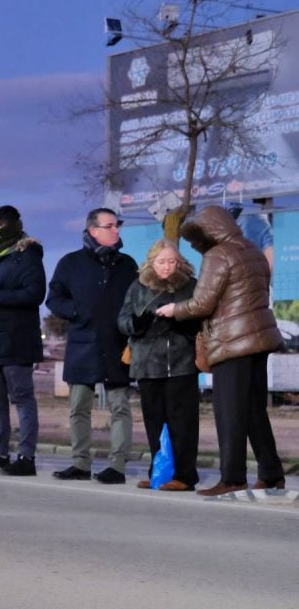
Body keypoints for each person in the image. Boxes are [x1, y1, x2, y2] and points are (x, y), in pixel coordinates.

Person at [155, 205, 284, 495]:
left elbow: (203, 303)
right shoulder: (251, 249)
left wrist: (175, 308)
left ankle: (233, 478)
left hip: (231, 342)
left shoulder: (218, 255)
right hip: (259, 339)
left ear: (210, 231)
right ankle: (272, 473)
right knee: (254, 411)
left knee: (229, 412)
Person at [46, 208, 138, 484]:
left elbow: (138, 300)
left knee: (120, 407)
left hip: (117, 343)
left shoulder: (127, 265)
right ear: (92, 230)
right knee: (78, 407)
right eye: (110, 226)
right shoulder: (70, 263)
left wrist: (131, 325)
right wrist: (76, 311)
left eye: (117, 225)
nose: (116, 230)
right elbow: (54, 298)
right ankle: (80, 463)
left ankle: (118, 466)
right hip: (82, 343)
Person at [117, 240, 200, 491]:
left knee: (182, 420)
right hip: (146, 363)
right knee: (154, 420)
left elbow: (203, 315)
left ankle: (185, 475)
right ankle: (159, 472)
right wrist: (136, 324)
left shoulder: (190, 285)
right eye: (161, 261)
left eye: (171, 261)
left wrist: (182, 321)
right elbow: (121, 319)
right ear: (151, 262)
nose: (166, 267)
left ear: (180, 262)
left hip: (181, 362)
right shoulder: (138, 285)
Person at [0, 205, 45, 476]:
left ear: (9, 226)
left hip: (15, 343)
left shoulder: (27, 257)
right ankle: (0, 452)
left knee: (22, 399)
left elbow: (35, 293)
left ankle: (27, 457)